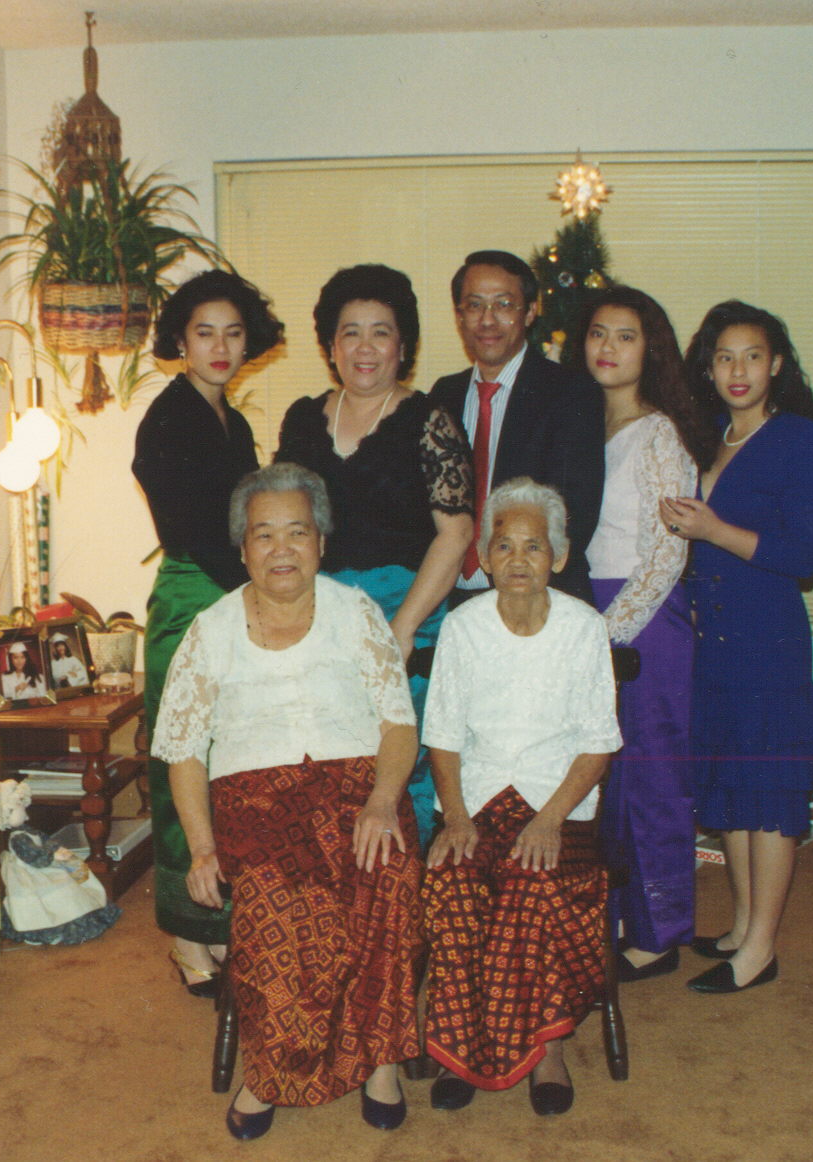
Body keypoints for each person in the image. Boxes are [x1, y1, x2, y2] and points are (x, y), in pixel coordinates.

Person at [152, 463, 423, 1140]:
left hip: (361, 788)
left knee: (384, 872)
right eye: (264, 534)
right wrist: (203, 847)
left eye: (297, 532)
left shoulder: (355, 613)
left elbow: (397, 722)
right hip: (257, 798)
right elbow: (182, 748)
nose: (281, 549)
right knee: (275, 893)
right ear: (242, 548)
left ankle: (381, 1059)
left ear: (321, 542)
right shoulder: (210, 630)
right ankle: (268, 1070)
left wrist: (384, 802)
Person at [420, 478, 622, 1116]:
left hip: (556, 803)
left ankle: (549, 1054)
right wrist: (453, 817)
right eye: (503, 545)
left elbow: (598, 744)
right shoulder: (463, 626)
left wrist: (549, 820)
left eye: (533, 547)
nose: (517, 560)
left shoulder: (585, 628)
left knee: (532, 883)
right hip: (474, 800)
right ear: (482, 556)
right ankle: (458, 1044)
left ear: (558, 557)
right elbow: (444, 737)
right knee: (452, 883)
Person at [661, 301, 813, 995]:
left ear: (777, 365)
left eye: (753, 356)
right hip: (708, 638)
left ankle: (761, 948)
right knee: (731, 789)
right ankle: (741, 924)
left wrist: (712, 531)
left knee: (767, 795)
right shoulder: (705, 434)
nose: (739, 371)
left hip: (766, 638)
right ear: (708, 369)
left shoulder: (798, 438)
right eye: (724, 357)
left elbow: (804, 556)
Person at [276, 264, 475, 842]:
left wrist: (405, 626)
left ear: (403, 344)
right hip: (320, 614)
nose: (366, 347)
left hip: (404, 612)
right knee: (324, 757)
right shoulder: (302, 420)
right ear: (331, 344)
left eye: (381, 331)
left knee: (400, 763)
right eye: (351, 332)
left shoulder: (428, 420)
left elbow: (455, 533)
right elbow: (286, 526)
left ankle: (399, 910)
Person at [131, 269, 284, 999]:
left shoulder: (232, 417)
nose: (220, 347)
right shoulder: (169, 418)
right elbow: (197, 530)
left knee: (228, 769)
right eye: (204, 333)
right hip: (196, 599)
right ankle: (191, 940)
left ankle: (218, 924)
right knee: (182, 767)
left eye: (232, 332)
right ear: (180, 341)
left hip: (230, 597)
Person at [559, 286, 715, 980]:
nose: (608, 349)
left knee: (650, 777)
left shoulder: (660, 433)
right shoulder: (583, 425)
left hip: (643, 620)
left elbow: (666, 553)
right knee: (603, 780)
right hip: (590, 609)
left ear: (650, 349)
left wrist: (605, 633)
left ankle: (658, 933)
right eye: (598, 333)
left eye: (625, 336)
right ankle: (616, 920)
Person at [427, 249, 604, 604]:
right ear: (459, 316)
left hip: (540, 599)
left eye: (504, 305)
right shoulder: (444, 394)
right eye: (475, 306)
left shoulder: (570, 392)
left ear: (531, 311)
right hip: (453, 600)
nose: (487, 321)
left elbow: (574, 513)